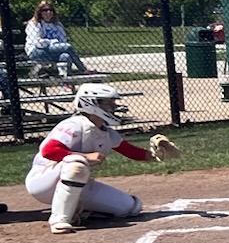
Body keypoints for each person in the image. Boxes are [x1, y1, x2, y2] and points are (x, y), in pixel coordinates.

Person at [24, 83, 181, 233]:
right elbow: (49, 150)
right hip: (43, 181)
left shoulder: (105, 132)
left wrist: (156, 154)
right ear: (91, 103)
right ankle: (59, 219)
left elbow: (131, 152)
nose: (113, 106)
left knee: (130, 207)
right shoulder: (74, 124)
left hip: (75, 183)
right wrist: (85, 156)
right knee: (76, 164)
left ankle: (80, 209)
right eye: (108, 102)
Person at [24, 0, 90, 76]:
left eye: (51, 10)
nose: (48, 12)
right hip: (36, 52)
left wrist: (54, 44)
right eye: (45, 10)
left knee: (66, 56)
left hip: (52, 51)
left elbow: (63, 40)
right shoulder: (34, 24)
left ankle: (65, 79)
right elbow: (38, 43)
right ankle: (83, 69)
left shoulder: (57, 25)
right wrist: (54, 42)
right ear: (40, 12)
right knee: (67, 47)